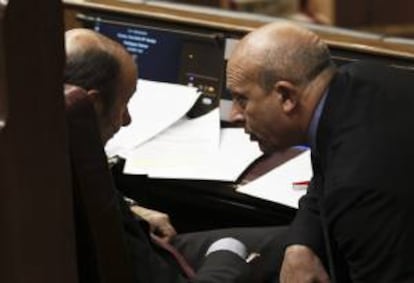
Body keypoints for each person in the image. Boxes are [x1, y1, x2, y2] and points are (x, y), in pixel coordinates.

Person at [64, 28, 286, 283]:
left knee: (291, 240)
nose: (127, 120)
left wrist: (132, 208)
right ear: (92, 106)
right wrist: (227, 252)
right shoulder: (89, 208)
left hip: (152, 247)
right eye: (123, 104)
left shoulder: (37, 159)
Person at [227, 21, 414, 283]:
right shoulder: (355, 82)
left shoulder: (357, 187)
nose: (234, 115)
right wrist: (301, 244)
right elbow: (324, 169)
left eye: (242, 99)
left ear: (286, 97)